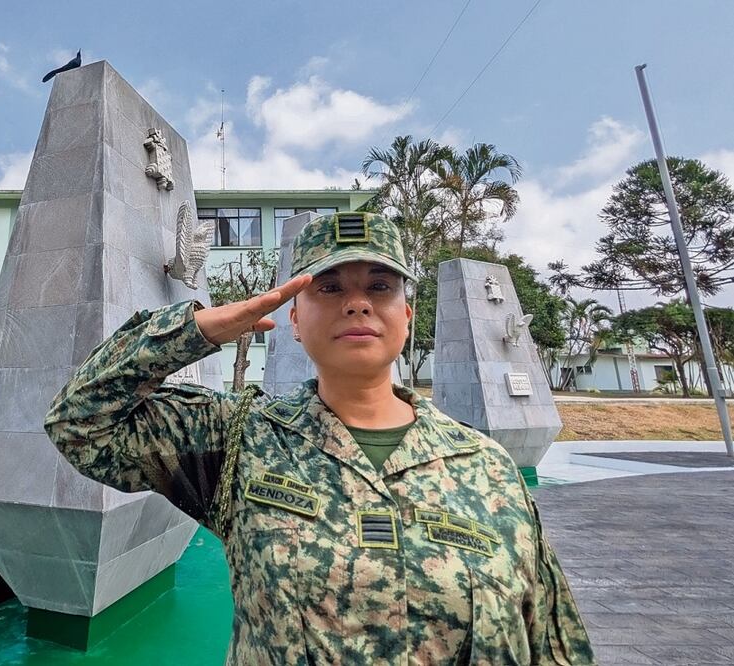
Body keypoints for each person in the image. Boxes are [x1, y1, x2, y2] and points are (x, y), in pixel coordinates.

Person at [45, 212, 595, 664]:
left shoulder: (487, 466)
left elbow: (553, 643)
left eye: (379, 286)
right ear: (294, 320)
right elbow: (79, 422)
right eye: (328, 288)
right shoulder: (239, 438)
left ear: (406, 314)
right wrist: (197, 328)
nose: (356, 303)